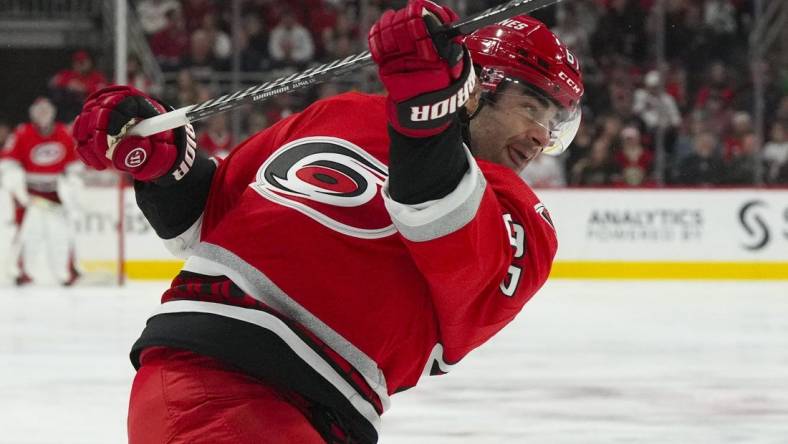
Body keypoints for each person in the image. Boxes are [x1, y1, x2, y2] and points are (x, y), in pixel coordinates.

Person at [72, 2, 583, 442]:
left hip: (322, 414)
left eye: (559, 123)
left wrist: (425, 116)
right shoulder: (340, 114)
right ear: (477, 89)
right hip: (218, 380)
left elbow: (445, 233)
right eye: (533, 107)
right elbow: (214, 220)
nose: (543, 136)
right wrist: (166, 166)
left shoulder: (520, 214)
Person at [0, 97, 82, 285]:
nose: (43, 115)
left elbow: (73, 165)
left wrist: (72, 184)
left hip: (55, 190)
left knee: (63, 232)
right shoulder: (22, 133)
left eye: (46, 111)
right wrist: (16, 185)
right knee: (25, 232)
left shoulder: (64, 132)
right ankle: (22, 271)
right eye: (39, 112)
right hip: (29, 191)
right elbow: (8, 162)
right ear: (33, 114)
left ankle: (69, 269)